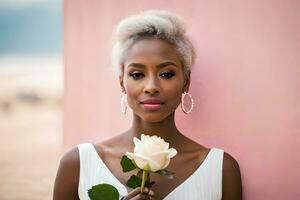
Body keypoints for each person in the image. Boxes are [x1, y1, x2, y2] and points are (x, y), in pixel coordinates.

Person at [53, 10, 242, 200]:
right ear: (122, 83)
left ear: (186, 81)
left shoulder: (221, 170)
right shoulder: (78, 164)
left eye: (166, 74)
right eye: (137, 74)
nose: (151, 87)